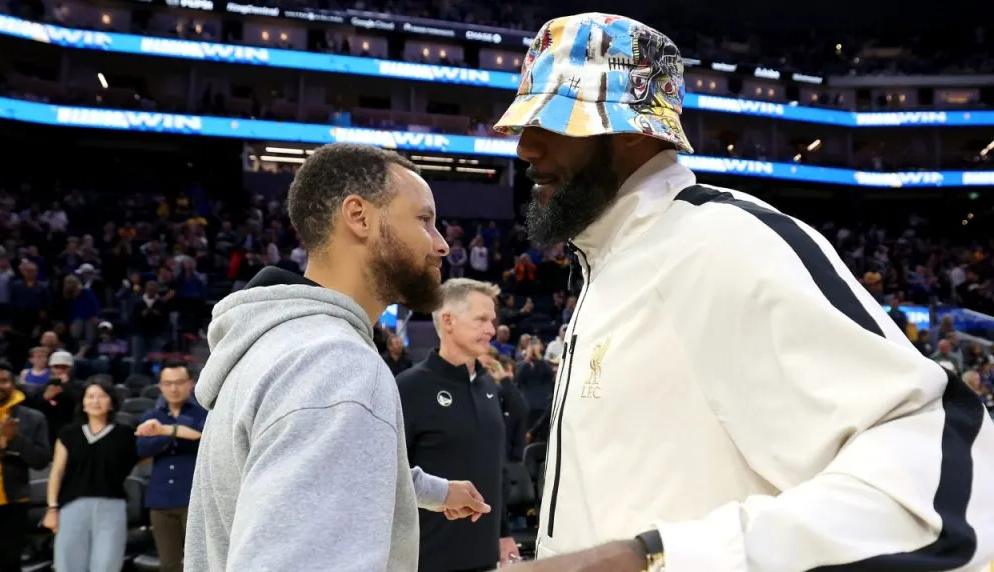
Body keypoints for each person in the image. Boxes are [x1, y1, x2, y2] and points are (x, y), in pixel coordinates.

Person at [494, 13, 994, 571]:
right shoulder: (610, 262)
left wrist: (654, 557)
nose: (526, 147)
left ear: (635, 128)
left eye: (554, 121)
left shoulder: (724, 243)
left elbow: (939, 468)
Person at [186, 143, 492, 572]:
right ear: (359, 216)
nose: (442, 245)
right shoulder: (335, 366)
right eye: (425, 220)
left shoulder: (277, 342)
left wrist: (436, 492)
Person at [397, 279, 520, 571]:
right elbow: (391, 478)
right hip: (426, 561)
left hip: (486, 558)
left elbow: (495, 467)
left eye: (492, 320)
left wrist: (503, 533)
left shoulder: (489, 386)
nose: (491, 329)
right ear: (448, 321)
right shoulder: (409, 388)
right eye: (481, 319)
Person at [43, 379, 139, 572]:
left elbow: (144, 458)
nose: (96, 401)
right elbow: (57, 472)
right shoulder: (68, 434)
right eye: (91, 396)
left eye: (102, 396)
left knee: (107, 565)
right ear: (83, 402)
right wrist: (52, 508)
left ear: (111, 402)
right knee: (68, 565)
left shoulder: (126, 434)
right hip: (71, 506)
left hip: (112, 507)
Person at [0, 361, 51, 572]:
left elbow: (41, 461)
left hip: (14, 504)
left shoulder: (33, 418)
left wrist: (16, 440)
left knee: (10, 565)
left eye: (3, 381)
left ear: (13, 384)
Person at [136, 361, 206, 572]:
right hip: (160, 500)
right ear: (160, 386)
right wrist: (177, 432)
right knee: (169, 565)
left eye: (179, 382)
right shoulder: (151, 417)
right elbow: (142, 448)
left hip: (194, 499)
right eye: (168, 383)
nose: (173, 388)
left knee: (201, 563)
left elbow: (202, 439)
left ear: (190, 384)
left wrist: (163, 431)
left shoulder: (202, 414)